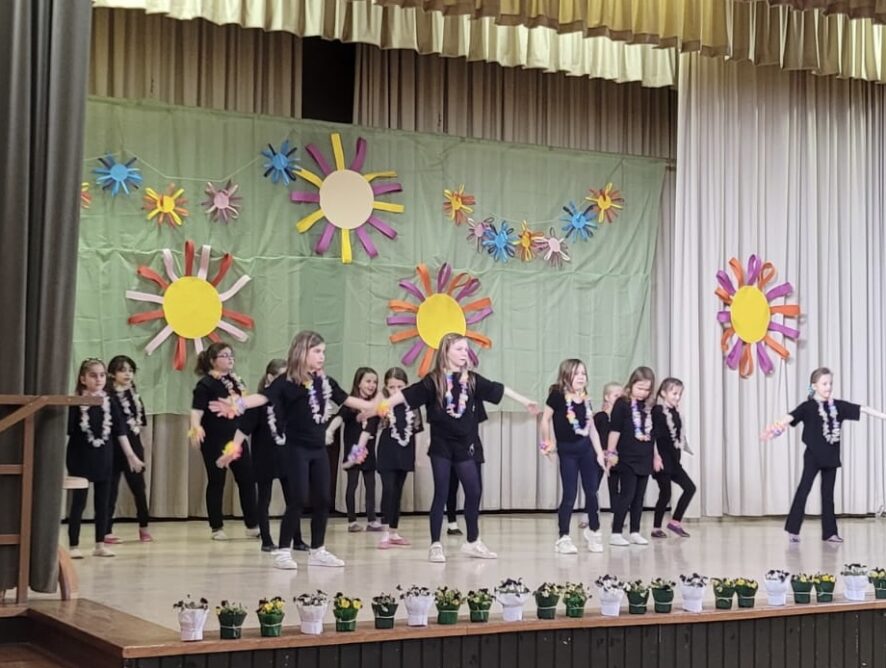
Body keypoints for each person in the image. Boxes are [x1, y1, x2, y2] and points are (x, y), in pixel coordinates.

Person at [762, 366, 886, 543]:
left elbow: (862, 408)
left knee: (828, 495)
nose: (828, 387)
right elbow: (790, 417)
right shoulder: (807, 407)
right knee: (803, 490)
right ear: (814, 386)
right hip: (812, 455)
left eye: (830, 383)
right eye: (824, 383)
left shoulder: (838, 406)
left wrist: (883, 415)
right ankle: (793, 530)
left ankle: (830, 533)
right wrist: (776, 427)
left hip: (830, 456)